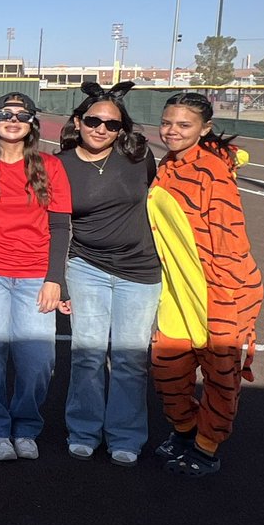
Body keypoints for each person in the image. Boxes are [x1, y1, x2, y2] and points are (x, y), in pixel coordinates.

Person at [148, 92, 263, 477]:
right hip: (179, 291)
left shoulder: (212, 172)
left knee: (220, 375)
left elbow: (230, 243)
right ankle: (185, 430)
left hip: (222, 292)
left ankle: (207, 446)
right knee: (168, 370)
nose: (172, 131)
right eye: (167, 123)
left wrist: (227, 305)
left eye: (184, 125)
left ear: (205, 128)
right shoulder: (167, 164)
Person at [0, 93, 71, 462]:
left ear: (32, 123)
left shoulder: (49, 166)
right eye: (6, 114)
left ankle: (26, 426)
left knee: (38, 361)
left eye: (23, 115)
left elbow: (60, 225)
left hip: (36, 277)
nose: (14, 119)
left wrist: (56, 279)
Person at [57, 82, 161, 467]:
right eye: (93, 120)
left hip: (140, 271)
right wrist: (58, 277)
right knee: (87, 354)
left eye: (111, 124)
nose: (101, 129)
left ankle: (125, 435)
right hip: (86, 268)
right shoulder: (60, 164)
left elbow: (161, 203)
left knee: (131, 358)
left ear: (122, 128)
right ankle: (83, 430)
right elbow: (51, 225)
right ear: (78, 121)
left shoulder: (138, 158)